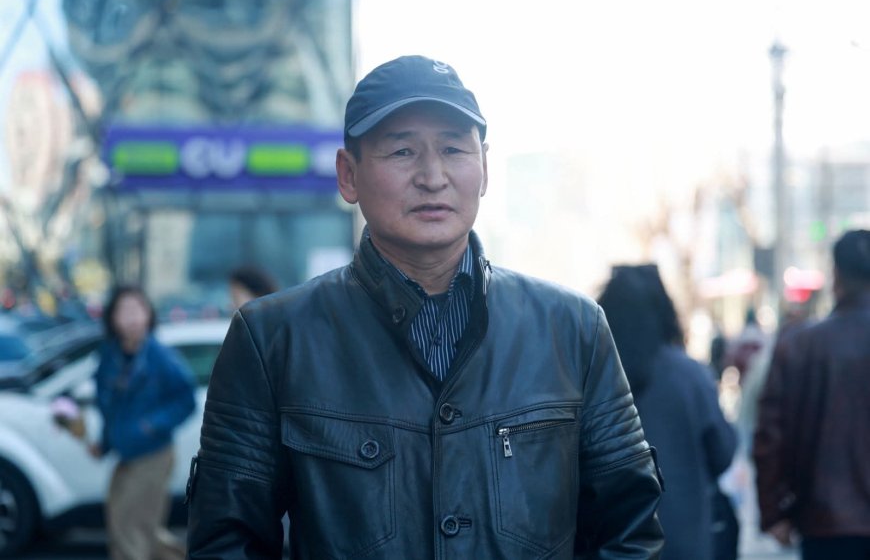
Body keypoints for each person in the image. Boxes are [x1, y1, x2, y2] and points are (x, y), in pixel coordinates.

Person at [186, 55, 664, 559]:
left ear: (484, 168)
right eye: (402, 150)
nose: (433, 176)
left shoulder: (573, 329)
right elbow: (226, 541)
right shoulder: (273, 339)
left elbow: (630, 530)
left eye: (454, 148)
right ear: (348, 175)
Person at [598, 264, 738, 560]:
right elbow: (723, 454)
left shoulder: (592, 377)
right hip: (685, 538)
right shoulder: (690, 375)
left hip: (612, 541)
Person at [753, 229, 870, 560]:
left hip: (823, 521)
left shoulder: (800, 344)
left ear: (836, 277)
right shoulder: (800, 344)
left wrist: (772, 511)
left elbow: (770, 434)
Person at [92, 285, 196, 560]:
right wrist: (104, 443)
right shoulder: (109, 355)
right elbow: (108, 406)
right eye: (124, 310)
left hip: (154, 453)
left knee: (130, 530)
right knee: (129, 526)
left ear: (149, 314)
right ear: (112, 317)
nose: (132, 317)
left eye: (137, 309)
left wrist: (151, 425)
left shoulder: (159, 356)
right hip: (125, 453)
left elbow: (186, 400)